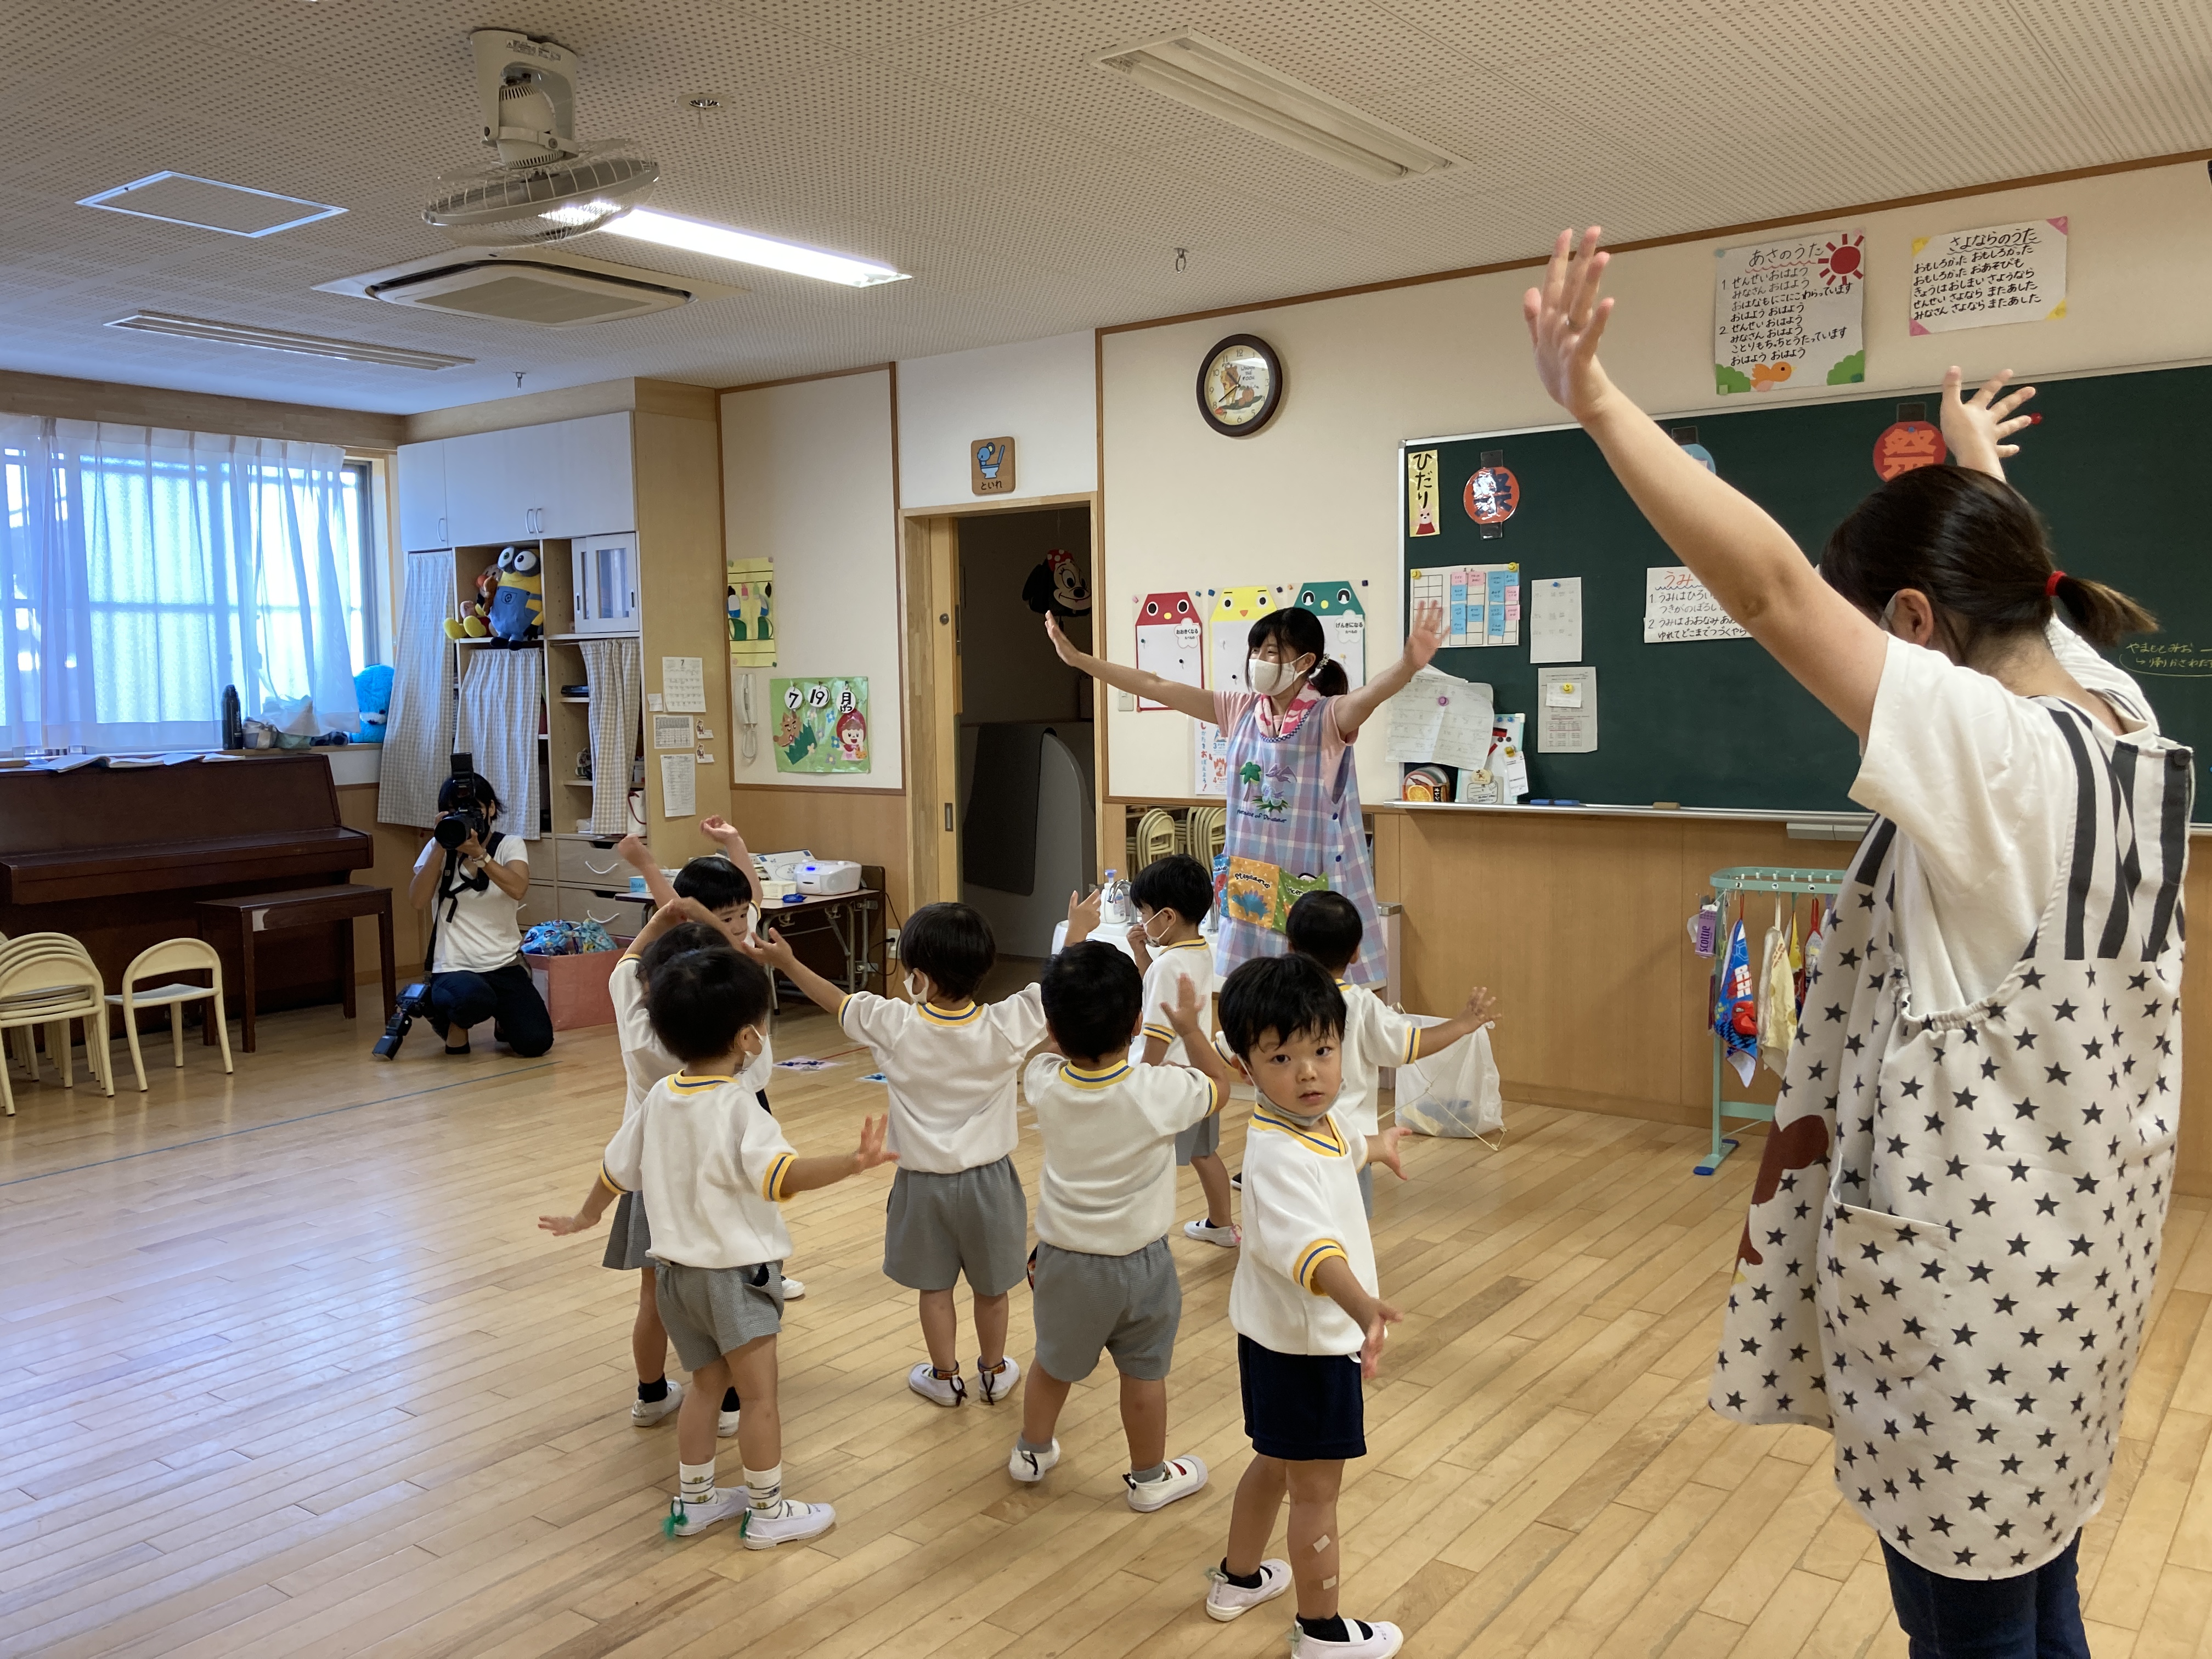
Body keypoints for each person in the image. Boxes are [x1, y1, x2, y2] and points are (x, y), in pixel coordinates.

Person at [1526, 227, 2189, 1657]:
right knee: (2040, 1581)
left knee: (1969, 1623)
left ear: (1912, 621)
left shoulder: (1995, 760)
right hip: (2078, 1271)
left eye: (1874, 633)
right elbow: (2023, 591)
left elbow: (1767, 590)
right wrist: (1976, 473)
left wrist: (1598, 404)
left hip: (1976, 1289)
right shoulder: (2117, 715)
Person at [538, 940, 896, 1545]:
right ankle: (768, 1512)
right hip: (735, 1278)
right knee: (759, 1398)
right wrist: (851, 1163)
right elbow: (782, 1177)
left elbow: (614, 1172)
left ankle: (696, 1503)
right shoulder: (739, 1107)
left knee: (706, 1388)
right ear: (748, 1038)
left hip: (675, 1279)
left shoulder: (659, 1098)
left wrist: (584, 1217)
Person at [744, 890, 1100, 1408]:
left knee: (934, 1289)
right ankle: (993, 1370)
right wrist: (1077, 930)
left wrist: (788, 963)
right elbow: (1051, 987)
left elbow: (835, 1001)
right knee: (993, 1290)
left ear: (921, 980)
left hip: (921, 1186)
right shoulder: (1006, 1025)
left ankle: (944, 1376)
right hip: (991, 1184)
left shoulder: (894, 1025)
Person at [1048, 599, 1444, 989]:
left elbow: (1370, 695)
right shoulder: (1239, 710)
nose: (1257, 659)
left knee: (1311, 992)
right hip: (1251, 884)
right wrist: (1081, 660)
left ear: (1305, 662)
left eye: (1270, 651)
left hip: (1307, 884)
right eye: (1255, 650)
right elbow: (1157, 687)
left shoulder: (1327, 716)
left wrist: (1408, 665)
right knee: (1254, 991)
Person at [1205, 953, 1409, 1656]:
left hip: (1276, 1340)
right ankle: (1322, 1632)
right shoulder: (1276, 1157)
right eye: (1282, 1058)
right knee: (1316, 1493)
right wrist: (1363, 1308)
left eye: (1322, 1051)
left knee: (1274, 1460)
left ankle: (1238, 1579)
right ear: (1245, 1067)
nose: (1309, 1073)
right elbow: (1314, 1253)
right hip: (1310, 1349)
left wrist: (1379, 1145)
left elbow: (1343, 1149)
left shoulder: (1312, 1123)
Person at [1012, 944, 1238, 1508]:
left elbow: (1044, 1055)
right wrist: (1189, 1030)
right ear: (1138, 1023)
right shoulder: (1158, 1091)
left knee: (1052, 1363)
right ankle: (1149, 1477)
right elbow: (1221, 1086)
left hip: (1065, 1262)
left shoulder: (1044, 1082)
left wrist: (1058, 1029)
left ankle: (1032, 1452)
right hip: (1144, 1265)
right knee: (1143, 1374)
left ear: (1054, 1029)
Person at [1284, 891, 1499, 1215]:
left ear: (1289, 947)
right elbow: (1409, 1045)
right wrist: (1462, 1024)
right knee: (1349, 1231)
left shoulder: (1272, 1001)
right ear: (1356, 953)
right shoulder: (1360, 1004)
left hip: (1286, 1143)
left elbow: (1232, 1049)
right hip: (1350, 1145)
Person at [1126, 854, 1237, 1247]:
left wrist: (1141, 1078)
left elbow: (1157, 1032)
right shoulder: (1198, 951)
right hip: (1199, 1075)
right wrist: (1142, 954)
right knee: (1204, 1154)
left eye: (1145, 912)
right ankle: (1222, 1224)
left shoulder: (1167, 965)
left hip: (1166, 1081)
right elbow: (1159, 993)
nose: (1142, 920)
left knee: (1147, 1159)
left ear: (1167, 917)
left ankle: (1142, 1233)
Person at [405, 771, 551, 1057]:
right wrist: (440, 845)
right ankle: (449, 1019)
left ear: (491, 809)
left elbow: (518, 888)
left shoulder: (509, 844)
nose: (464, 817)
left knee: (536, 1042)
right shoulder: (438, 848)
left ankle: (503, 1019)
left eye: (473, 809)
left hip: (504, 964)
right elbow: (418, 901)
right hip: (454, 967)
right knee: (472, 999)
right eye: (453, 810)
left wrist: (480, 856)